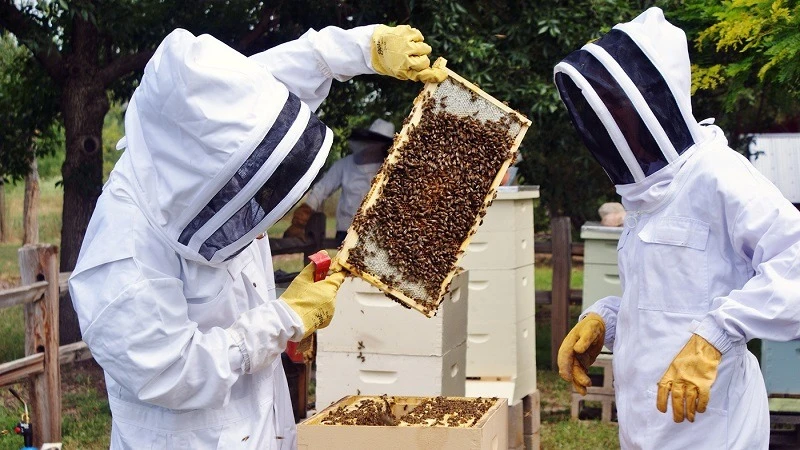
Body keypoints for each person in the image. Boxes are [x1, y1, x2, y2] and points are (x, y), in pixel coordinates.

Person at [68, 24, 446, 449]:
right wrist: (285, 318)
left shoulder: (200, 120)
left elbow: (268, 86)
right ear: (196, 167)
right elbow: (176, 373)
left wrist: (364, 48)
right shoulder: (121, 256)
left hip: (264, 423)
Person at [554, 7, 800, 449]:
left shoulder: (717, 174)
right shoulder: (649, 195)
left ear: (654, 99)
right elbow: (668, 294)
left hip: (715, 432)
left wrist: (716, 337)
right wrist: (606, 318)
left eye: (619, 104)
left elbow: (795, 261)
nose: (613, 119)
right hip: (646, 427)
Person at [284, 118, 395, 245]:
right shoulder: (344, 164)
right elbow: (321, 190)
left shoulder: (390, 168)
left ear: (385, 146)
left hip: (377, 234)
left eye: (378, 142)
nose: (373, 146)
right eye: (372, 141)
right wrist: (300, 220)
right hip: (345, 231)